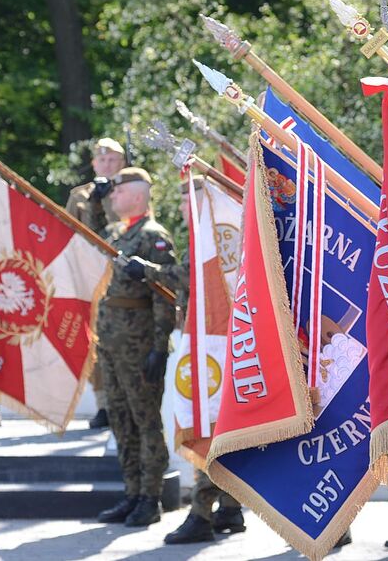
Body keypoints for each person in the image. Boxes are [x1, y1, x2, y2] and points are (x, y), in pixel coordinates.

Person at [122, 177, 246, 544]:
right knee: (214, 422)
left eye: (185, 201)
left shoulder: (214, 235)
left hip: (217, 341)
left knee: (207, 421)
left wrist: (147, 270)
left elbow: (190, 276)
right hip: (213, 338)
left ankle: (202, 514)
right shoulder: (209, 233)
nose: (179, 209)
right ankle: (230, 507)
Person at [94, 167, 176, 527]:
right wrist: (96, 204)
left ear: (138, 195)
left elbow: (165, 296)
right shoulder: (119, 232)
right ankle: (132, 493)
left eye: (118, 191)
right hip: (112, 343)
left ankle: (150, 497)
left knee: (145, 422)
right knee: (120, 420)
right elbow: (93, 240)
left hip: (138, 343)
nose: (113, 197)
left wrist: (160, 346)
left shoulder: (153, 236)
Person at [65, 137, 126, 429]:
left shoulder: (129, 190)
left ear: (122, 163)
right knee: (96, 342)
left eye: (113, 160)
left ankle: (123, 402)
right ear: (94, 163)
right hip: (89, 276)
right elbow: (68, 232)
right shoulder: (79, 194)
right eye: (102, 160)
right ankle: (103, 403)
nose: (107, 164)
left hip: (123, 276)